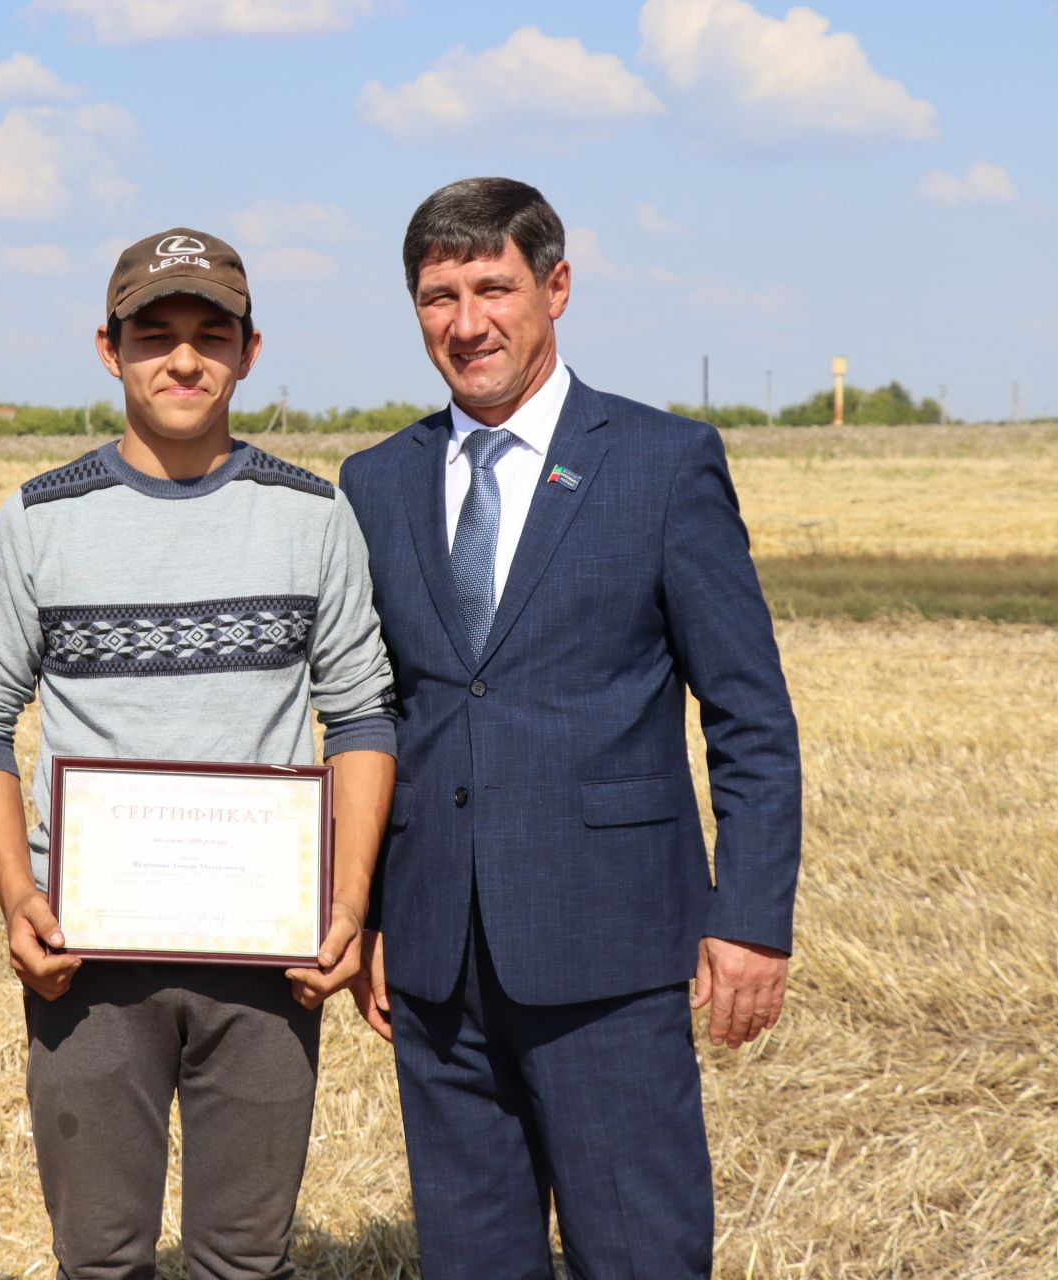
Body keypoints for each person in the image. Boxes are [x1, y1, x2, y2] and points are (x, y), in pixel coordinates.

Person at [338, 178, 802, 1278]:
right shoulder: (375, 483)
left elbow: (750, 715)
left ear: (555, 287)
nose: (466, 323)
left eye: (492, 287)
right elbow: (372, 715)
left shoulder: (661, 462)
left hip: (612, 952)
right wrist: (364, 907)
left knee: (638, 1251)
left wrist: (752, 919)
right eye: (437, 296)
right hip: (433, 964)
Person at [0, 229, 396, 1279]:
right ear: (110, 349)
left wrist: (349, 899)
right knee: (102, 1255)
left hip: (269, 954)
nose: (184, 360)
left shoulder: (314, 514)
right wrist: (20, 896)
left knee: (245, 1253)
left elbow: (363, 714)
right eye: (156, 335)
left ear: (249, 349)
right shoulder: (38, 520)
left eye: (210, 334)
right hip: (89, 962)